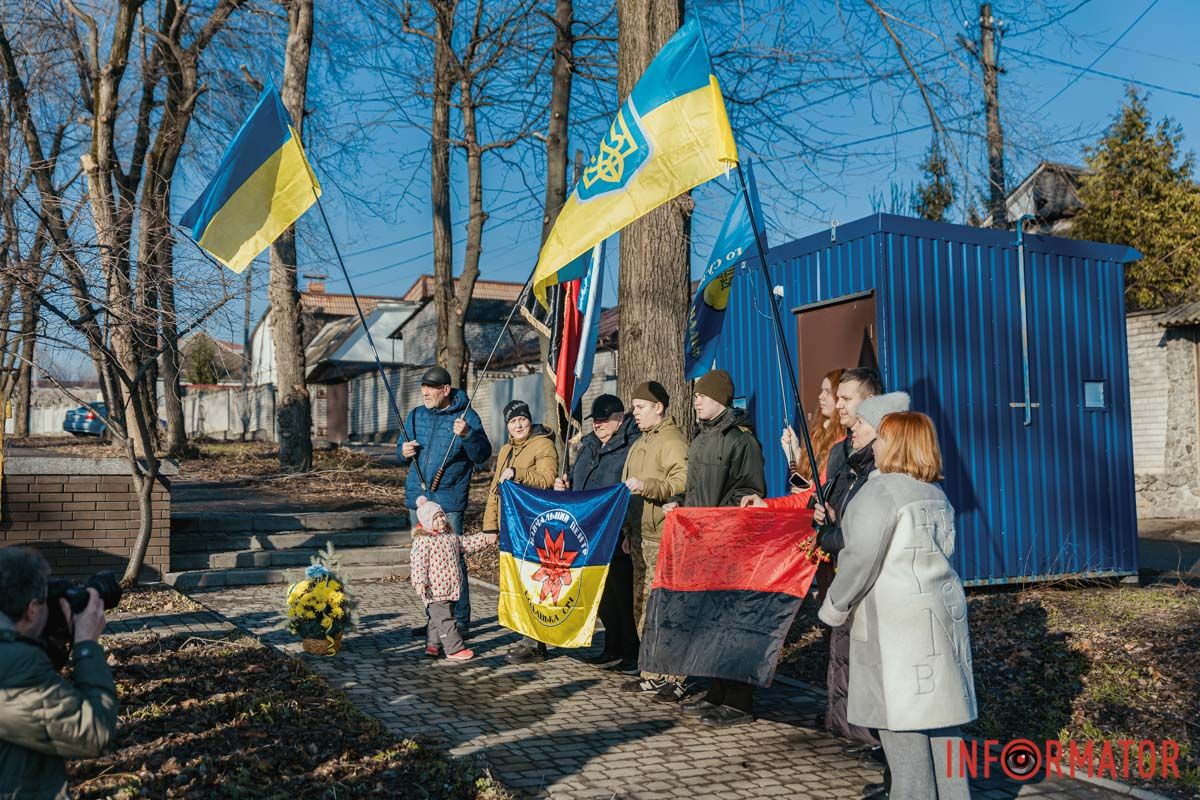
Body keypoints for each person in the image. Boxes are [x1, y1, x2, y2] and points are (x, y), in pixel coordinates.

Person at [818, 411, 975, 800]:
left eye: (883, 438)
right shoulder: (935, 493)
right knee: (944, 734)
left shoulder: (882, 491)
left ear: (899, 444)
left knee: (906, 761)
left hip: (896, 637)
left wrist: (834, 606)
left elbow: (859, 560)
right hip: (941, 626)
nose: (877, 445)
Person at [667, 369, 766, 726]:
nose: (696, 402)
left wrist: (721, 522)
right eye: (696, 397)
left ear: (720, 400)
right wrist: (681, 501)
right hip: (703, 545)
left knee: (731, 625)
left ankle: (739, 702)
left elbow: (751, 490)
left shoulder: (741, 441)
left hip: (730, 546)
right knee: (710, 624)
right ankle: (717, 692)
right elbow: (697, 487)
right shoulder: (702, 437)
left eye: (703, 397)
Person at [0, 547, 118, 799]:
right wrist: (86, 645)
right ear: (32, 610)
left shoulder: (12, 653)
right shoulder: (16, 666)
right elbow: (94, 732)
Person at [399, 366, 493, 638]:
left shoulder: (467, 416)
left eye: (430, 389)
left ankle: (460, 620)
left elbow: (482, 455)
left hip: (448, 501)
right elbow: (400, 447)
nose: (425, 393)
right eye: (422, 388)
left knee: (454, 559)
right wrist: (402, 451)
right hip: (418, 499)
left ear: (445, 390)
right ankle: (435, 621)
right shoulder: (416, 415)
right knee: (424, 561)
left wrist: (468, 435)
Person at [554, 394, 642, 671]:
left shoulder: (630, 446)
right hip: (588, 532)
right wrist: (567, 489)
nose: (599, 425)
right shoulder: (588, 446)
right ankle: (612, 646)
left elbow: (629, 491)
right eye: (596, 421)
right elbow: (582, 483)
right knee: (600, 591)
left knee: (622, 591)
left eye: (604, 420)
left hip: (616, 531)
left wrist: (628, 529)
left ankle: (631, 650)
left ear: (619, 419)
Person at [617, 381, 688, 696]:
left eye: (640, 407)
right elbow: (625, 488)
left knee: (661, 607)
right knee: (642, 607)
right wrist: (627, 531)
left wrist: (646, 485)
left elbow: (681, 481)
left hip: (663, 537)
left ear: (658, 407)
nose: (635, 413)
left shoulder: (672, 441)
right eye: (634, 407)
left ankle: (673, 677)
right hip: (640, 536)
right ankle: (651, 671)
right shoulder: (640, 442)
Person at [483, 400, 559, 664]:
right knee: (516, 583)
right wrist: (490, 525)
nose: (518, 425)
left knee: (533, 584)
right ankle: (525, 634)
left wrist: (518, 473)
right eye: (512, 421)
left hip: (534, 525)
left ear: (530, 419)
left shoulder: (543, 445)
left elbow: (547, 479)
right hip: (511, 528)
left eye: (521, 419)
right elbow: (496, 490)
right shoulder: (505, 449)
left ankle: (535, 643)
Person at [410, 497, 497, 662]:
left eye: (441, 515)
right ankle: (454, 648)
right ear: (427, 522)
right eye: (435, 518)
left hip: (450, 587)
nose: (441, 520)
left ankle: (433, 645)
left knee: (438, 619)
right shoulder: (423, 541)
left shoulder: (449, 536)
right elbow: (418, 563)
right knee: (446, 620)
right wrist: (419, 582)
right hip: (433, 589)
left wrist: (484, 538)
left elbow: (466, 543)